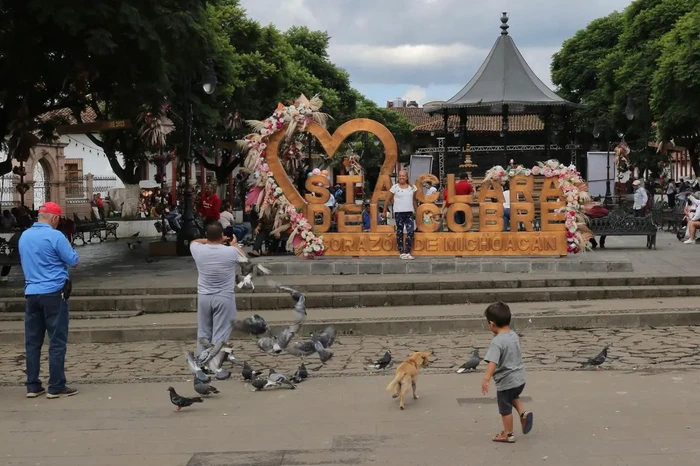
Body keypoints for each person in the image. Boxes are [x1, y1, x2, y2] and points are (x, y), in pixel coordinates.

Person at [18, 202, 80, 399]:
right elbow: (74, 261)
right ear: (54, 218)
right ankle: (56, 385)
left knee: (32, 341)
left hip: (31, 293)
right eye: (58, 220)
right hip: (54, 293)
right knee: (57, 341)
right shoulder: (56, 236)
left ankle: (33, 385)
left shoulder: (24, 236)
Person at [189, 222, 240, 379]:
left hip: (204, 296)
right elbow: (242, 256)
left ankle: (201, 363)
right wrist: (233, 243)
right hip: (224, 297)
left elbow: (193, 242)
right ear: (222, 236)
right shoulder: (231, 251)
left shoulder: (198, 250)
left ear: (207, 235)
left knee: (204, 331)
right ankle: (215, 366)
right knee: (220, 333)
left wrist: (210, 239)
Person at [481, 302, 533, 443]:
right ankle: (523, 413)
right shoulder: (514, 336)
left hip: (506, 381)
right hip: (519, 379)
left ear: (492, 324)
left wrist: (486, 379)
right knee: (513, 396)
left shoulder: (497, 342)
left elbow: (493, 362)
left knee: (505, 409)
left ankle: (508, 434)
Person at [382, 169, 417, 260]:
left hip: (409, 212)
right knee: (400, 232)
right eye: (400, 176)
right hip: (399, 212)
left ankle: (407, 252)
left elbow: (414, 200)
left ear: (406, 177)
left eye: (403, 176)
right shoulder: (395, 187)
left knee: (410, 231)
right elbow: (387, 199)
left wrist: (417, 211)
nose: (401, 177)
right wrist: (384, 211)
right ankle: (401, 252)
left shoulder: (412, 187)